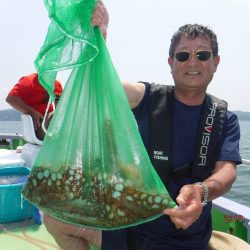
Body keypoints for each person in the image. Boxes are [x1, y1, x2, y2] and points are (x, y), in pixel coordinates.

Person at [43, 2, 243, 250]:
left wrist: (201, 191)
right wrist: (100, 38)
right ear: (170, 62)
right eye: (183, 55)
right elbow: (103, 85)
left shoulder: (224, 118)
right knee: (53, 218)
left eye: (202, 55)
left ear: (216, 62)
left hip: (188, 239)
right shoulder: (147, 97)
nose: (193, 62)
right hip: (133, 227)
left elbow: (227, 172)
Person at [6, 72, 63, 140]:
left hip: (59, 120)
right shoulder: (28, 81)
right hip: (39, 124)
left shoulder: (57, 84)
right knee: (54, 116)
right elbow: (11, 99)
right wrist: (32, 112)